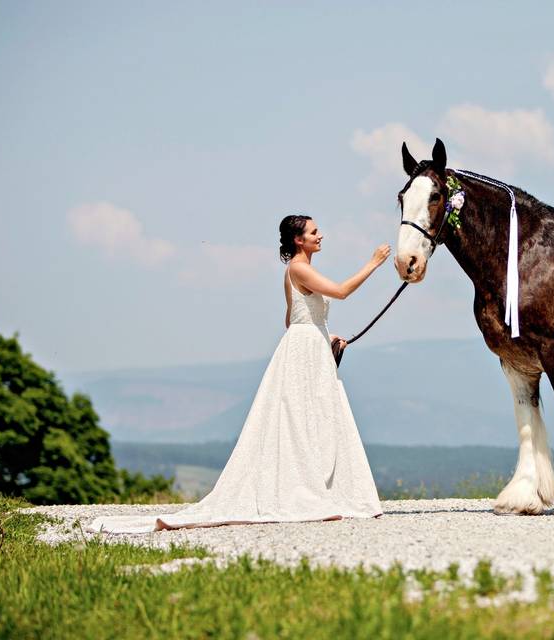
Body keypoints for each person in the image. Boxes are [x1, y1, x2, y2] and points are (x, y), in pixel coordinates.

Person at [86, 215, 391, 533]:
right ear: (299, 240)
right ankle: (307, 491)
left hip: (309, 347)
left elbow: (293, 319)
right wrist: (374, 262)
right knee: (302, 419)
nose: (320, 236)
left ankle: (320, 489)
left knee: (313, 417)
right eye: (314, 232)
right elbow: (341, 292)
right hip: (303, 352)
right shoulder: (299, 269)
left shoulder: (302, 271)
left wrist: (324, 336)